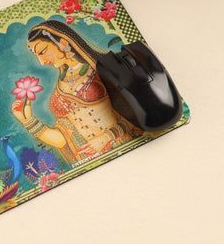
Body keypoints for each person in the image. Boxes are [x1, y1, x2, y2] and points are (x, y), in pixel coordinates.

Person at [11, 20, 142, 165]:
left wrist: (106, 137)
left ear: (63, 43)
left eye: (42, 51)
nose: (41, 62)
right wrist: (27, 120)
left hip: (129, 150)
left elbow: (138, 110)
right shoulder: (60, 90)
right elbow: (63, 140)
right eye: (37, 56)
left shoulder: (102, 69)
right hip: (96, 161)